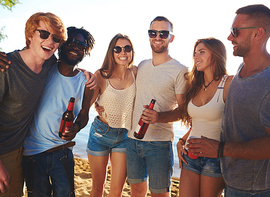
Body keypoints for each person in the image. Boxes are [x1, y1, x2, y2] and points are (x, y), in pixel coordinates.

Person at [187, 4, 270, 197]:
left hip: (252, 188)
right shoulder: (243, 67)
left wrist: (221, 149)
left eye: (235, 32)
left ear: (258, 34)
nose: (229, 37)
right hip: (230, 176)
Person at [0, 12, 66, 197]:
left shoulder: (49, 64)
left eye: (56, 38)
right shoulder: (4, 67)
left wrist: (88, 75)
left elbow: (68, 69)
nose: (50, 41)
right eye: (44, 34)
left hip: (19, 150)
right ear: (30, 35)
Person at [22, 26, 95, 197]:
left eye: (82, 45)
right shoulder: (43, 69)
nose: (76, 47)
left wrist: (76, 128)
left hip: (62, 153)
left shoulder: (86, 82)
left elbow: (84, 116)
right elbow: (23, 56)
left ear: (86, 52)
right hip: (32, 153)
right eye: (72, 42)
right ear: (61, 44)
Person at [127, 16, 187, 197]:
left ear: (171, 38)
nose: (158, 37)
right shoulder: (141, 66)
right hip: (132, 139)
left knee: (159, 194)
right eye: (153, 32)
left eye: (163, 33)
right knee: (136, 190)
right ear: (149, 36)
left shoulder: (180, 70)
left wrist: (158, 117)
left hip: (159, 144)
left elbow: (184, 111)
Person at [176, 38, 232, 197]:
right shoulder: (194, 85)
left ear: (215, 55)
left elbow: (239, 122)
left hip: (214, 158)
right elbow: (197, 123)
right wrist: (181, 141)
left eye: (201, 52)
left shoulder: (228, 83)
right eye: (195, 53)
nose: (196, 57)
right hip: (190, 155)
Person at [87, 34, 137, 197]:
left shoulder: (136, 72)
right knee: (97, 188)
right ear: (111, 52)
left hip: (124, 136)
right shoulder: (101, 75)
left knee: (116, 191)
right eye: (118, 49)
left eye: (127, 48)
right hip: (100, 133)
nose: (123, 52)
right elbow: (86, 104)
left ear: (131, 51)